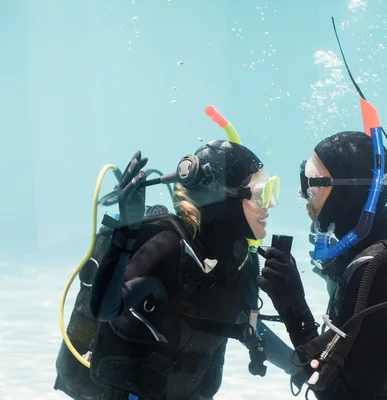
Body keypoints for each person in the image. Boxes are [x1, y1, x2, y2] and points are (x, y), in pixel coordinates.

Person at [257, 130, 387, 400]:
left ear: (349, 193)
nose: (303, 193)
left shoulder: (379, 274)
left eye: (312, 183)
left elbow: (338, 395)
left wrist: (293, 308)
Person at [88, 140, 282, 400]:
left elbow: (248, 326)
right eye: (262, 193)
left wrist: (299, 366)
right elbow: (105, 309)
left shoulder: (238, 257)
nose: (270, 205)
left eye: (272, 191)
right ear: (225, 196)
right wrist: (126, 229)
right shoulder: (170, 247)